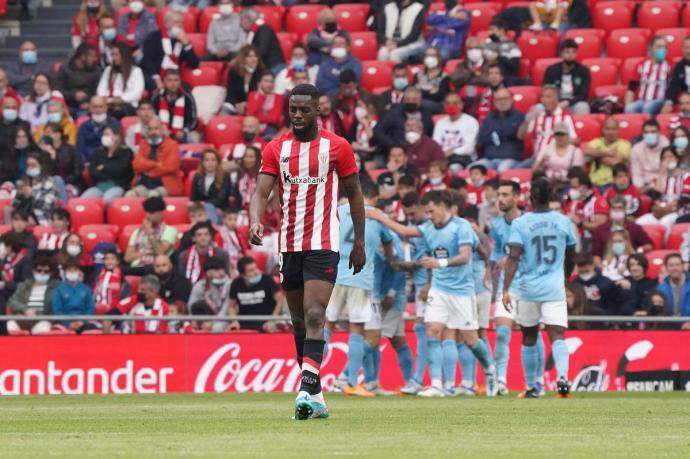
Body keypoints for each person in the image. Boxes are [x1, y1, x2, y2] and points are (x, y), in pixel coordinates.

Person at [249, 83, 366, 420]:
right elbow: (261, 192)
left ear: (318, 110)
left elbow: (355, 194)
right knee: (299, 323)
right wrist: (256, 220)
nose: (297, 115)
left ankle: (303, 388)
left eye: (304, 110)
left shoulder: (337, 147)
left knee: (315, 315)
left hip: (324, 243)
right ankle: (316, 397)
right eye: (293, 110)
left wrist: (358, 242)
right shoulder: (276, 148)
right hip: (289, 245)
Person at [367, 190, 497, 397]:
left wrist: (439, 263)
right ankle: (438, 384)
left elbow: (464, 257)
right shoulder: (428, 227)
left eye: (431, 211)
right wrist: (382, 218)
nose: (429, 216)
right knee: (433, 331)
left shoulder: (461, 227)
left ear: (443, 207)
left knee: (470, 339)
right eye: (426, 212)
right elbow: (405, 232)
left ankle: (490, 371)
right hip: (439, 289)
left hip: (462, 292)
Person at [502, 178, 576, 398]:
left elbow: (513, 257)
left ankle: (533, 385)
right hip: (554, 287)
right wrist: (565, 277)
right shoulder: (563, 221)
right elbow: (571, 254)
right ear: (551, 195)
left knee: (529, 337)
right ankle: (562, 378)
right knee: (558, 335)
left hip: (527, 287)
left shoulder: (520, 223)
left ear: (531, 198)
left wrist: (506, 289)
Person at [323, 181, 393, 397]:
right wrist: (387, 256)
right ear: (376, 195)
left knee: (326, 327)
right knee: (357, 331)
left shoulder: (338, 211)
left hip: (334, 276)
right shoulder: (378, 216)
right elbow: (390, 249)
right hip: (360, 277)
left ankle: (309, 378)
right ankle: (352, 382)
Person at [488, 180, 546, 395]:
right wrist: (492, 268)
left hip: (529, 284)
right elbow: (496, 254)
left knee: (532, 333)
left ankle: (537, 380)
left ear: (516, 197)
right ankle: (500, 381)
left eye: (504, 194)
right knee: (502, 331)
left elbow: (538, 254)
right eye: (498, 195)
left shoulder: (531, 222)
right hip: (508, 284)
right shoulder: (497, 225)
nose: (500, 199)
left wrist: (514, 258)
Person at [141, 10, 200, 90]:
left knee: (186, 88)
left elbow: (194, 64)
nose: (180, 25)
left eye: (182, 23)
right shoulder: (154, 37)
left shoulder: (183, 40)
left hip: (173, 78)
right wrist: (157, 80)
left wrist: (187, 45)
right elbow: (147, 61)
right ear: (167, 24)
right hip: (153, 75)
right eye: (176, 22)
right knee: (153, 85)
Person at [128, 117, 183, 197]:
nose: (153, 132)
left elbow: (171, 167)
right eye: (150, 129)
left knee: (153, 196)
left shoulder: (172, 145)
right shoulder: (144, 144)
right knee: (129, 195)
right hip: (144, 184)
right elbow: (136, 165)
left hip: (165, 185)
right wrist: (156, 164)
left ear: (162, 129)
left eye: (156, 129)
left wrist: (148, 171)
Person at [519, 86, 577, 159]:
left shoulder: (565, 118)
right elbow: (521, 136)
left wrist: (555, 148)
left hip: (555, 158)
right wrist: (527, 120)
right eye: (542, 97)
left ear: (557, 99)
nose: (544, 100)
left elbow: (575, 140)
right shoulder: (537, 116)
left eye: (548, 97)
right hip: (536, 158)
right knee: (508, 168)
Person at [228, 256, 284, 332]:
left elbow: (280, 300)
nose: (256, 272)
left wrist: (272, 320)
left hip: (267, 322)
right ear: (243, 275)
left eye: (256, 268)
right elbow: (231, 306)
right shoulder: (236, 284)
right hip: (244, 323)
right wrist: (234, 321)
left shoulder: (267, 280)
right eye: (251, 271)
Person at [475, 88, 525, 173]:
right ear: (494, 102)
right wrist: (503, 135)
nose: (502, 102)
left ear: (511, 100)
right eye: (498, 99)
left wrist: (494, 134)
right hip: (489, 159)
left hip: (510, 158)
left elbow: (517, 136)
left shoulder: (520, 117)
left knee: (502, 170)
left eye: (505, 99)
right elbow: (481, 138)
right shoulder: (489, 117)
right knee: (474, 169)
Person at [6, 254, 58, 335]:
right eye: (39, 270)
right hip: (22, 318)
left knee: (41, 332)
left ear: (50, 273)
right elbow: (12, 301)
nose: (42, 273)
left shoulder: (56, 287)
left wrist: (37, 315)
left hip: (42, 320)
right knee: (10, 326)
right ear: (33, 271)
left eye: (46, 271)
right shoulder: (25, 285)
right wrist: (26, 309)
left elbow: (55, 310)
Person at [82, 124, 134, 203]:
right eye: (103, 134)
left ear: (116, 137)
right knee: (83, 200)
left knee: (107, 200)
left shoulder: (126, 152)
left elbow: (121, 170)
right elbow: (92, 170)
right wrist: (107, 173)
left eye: (107, 134)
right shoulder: (98, 152)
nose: (104, 137)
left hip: (118, 185)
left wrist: (103, 167)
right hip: (99, 186)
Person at [124, 197, 178, 270]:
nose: (148, 216)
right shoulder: (137, 232)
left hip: (155, 268)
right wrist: (146, 253)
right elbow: (127, 258)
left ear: (161, 213)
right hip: (136, 267)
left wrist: (150, 233)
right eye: (147, 212)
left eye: (151, 213)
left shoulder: (170, 230)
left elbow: (160, 252)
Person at [106, 274, 170, 334]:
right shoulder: (132, 300)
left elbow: (162, 332)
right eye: (139, 288)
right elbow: (107, 318)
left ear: (153, 293)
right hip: (130, 340)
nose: (138, 291)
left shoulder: (164, 307)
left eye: (143, 290)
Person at [374, 87, 433, 151]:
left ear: (420, 101)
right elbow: (378, 130)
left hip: (420, 151)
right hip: (396, 150)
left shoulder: (426, 114)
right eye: (407, 99)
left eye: (414, 99)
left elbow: (430, 134)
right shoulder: (394, 113)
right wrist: (392, 145)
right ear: (404, 100)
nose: (410, 101)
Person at [432, 92, 478, 170]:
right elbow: (435, 144)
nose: (451, 106)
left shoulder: (471, 121)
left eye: (455, 103)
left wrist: (452, 152)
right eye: (448, 103)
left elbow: (470, 147)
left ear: (461, 105)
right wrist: (442, 154)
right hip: (442, 157)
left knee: (454, 168)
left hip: (463, 157)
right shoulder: (440, 123)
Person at [543, 39, 591, 115]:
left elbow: (583, 94)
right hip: (554, 102)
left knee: (583, 107)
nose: (570, 55)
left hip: (574, 103)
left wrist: (568, 102)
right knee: (537, 109)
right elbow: (546, 89)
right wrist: (554, 102)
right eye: (567, 52)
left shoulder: (583, 71)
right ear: (561, 54)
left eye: (573, 52)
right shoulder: (551, 70)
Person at [97, 43, 146, 116]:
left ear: (124, 55)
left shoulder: (136, 71)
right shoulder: (108, 69)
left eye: (116, 55)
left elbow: (137, 93)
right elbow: (101, 89)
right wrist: (108, 99)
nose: (114, 58)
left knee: (117, 113)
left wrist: (121, 98)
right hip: (109, 103)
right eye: (112, 55)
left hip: (128, 105)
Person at [625, 36, 669, 116]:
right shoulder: (641, 65)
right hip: (642, 100)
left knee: (648, 107)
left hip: (659, 100)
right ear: (650, 48)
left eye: (665, 47)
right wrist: (628, 104)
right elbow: (631, 88)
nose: (662, 50)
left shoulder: (669, 66)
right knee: (629, 109)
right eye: (659, 47)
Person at [151, 69, 198, 143]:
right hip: (161, 132)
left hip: (182, 133)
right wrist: (162, 129)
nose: (173, 84)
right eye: (170, 80)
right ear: (164, 82)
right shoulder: (157, 96)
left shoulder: (187, 96)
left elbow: (193, 120)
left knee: (194, 137)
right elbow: (152, 117)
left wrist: (184, 131)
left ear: (180, 82)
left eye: (176, 80)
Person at [11, 153, 59, 226]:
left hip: (40, 216)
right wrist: (19, 196)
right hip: (22, 213)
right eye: (28, 165)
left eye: (33, 165)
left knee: (22, 220)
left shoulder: (49, 182)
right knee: (7, 210)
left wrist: (33, 193)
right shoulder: (24, 181)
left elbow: (47, 206)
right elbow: (15, 205)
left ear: (41, 166)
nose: (30, 168)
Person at [187, 256, 232, 333]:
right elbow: (191, 305)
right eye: (217, 270)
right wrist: (198, 321)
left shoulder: (230, 285)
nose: (221, 273)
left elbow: (226, 310)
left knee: (217, 328)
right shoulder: (200, 285)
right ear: (208, 273)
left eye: (222, 269)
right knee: (188, 327)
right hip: (204, 319)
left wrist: (213, 322)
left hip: (223, 319)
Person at [584, 117, 631, 189]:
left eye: (613, 129)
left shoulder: (624, 144)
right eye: (607, 129)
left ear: (618, 130)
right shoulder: (596, 142)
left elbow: (615, 162)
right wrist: (608, 152)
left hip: (613, 184)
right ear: (603, 130)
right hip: (594, 183)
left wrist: (597, 156)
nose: (610, 132)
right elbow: (587, 151)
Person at [55, 43, 100, 116]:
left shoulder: (96, 70)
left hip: (88, 105)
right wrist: (73, 95)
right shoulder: (65, 69)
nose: (94, 59)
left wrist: (90, 103)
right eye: (91, 56)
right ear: (82, 56)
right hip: (68, 104)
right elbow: (58, 90)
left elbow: (97, 91)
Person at [0, 232, 34, 327]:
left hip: (17, 295)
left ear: (9, 247)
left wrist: (5, 285)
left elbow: (26, 284)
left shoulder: (25, 261)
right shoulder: (3, 260)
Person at [52, 261, 95, 334]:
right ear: (65, 272)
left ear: (79, 272)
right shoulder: (59, 290)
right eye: (69, 270)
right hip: (64, 323)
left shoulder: (86, 289)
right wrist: (68, 323)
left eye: (75, 270)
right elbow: (57, 310)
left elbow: (90, 308)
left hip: (84, 322)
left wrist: (82, 322)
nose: (72, 272)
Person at [190, 149, 232, 222]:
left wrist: (206, 204)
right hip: (201, 210)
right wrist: (201, 206)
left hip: (220, 210)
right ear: (202, 162)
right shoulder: (197, 177)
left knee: (209, 207)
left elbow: (221, 198)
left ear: (218, 162)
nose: (210, 163)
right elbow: (193, 198)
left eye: (213, 160)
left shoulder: (225, 176)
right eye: (207, 160)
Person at [76, 95, 120, 164]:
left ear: (106, 107)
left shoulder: (114, 124)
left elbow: (118, 146)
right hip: (89, 162)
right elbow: (80, 148)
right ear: (90, 108)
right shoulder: (84, 127)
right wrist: (85, 163)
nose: (98, 110)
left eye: (101, 106)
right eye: (95, 107)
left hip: (109, 163)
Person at [239, 8, 284, 72]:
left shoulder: (264, 29)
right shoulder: (254, 31)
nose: (240, 24)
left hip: (274, 66)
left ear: (246, 19)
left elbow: (262, 50)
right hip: (266, 67)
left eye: (241, 20)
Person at [630, 119, 670, 191]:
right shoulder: (636, 149)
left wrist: (658, 186)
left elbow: (669, 172)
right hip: (645, 187)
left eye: (653, 132)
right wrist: (641, 188)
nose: (650, 135)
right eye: (646, 132)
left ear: (659, 132)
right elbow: (637, 174)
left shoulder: (668, 147)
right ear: (642, 134)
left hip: (665, 185)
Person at [224, 45, 263, 116]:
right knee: (225, 111)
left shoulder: (261, 72)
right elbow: (230, 94)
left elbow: (261, 95)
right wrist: (237, 105)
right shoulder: (234, 72)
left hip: (253, 106)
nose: (254, 59)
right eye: (250, 57)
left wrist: (246, 104)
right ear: (243, 59)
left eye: (255, 56)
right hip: (236, 105)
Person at [656, 253, 690, 328]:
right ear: (666, 268)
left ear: (682, 266)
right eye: (671, 265)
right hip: (668, 327)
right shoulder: (660, 289)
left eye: (677, 265)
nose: (675, 268)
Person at [92, 249, 130, 314]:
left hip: (114, 311)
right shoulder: (98, 276)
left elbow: (124, 298)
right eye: (107, 259)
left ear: (118, 261)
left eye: (112, 259)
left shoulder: (122, 278)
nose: (109, 261)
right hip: (97, 308)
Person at [246, 72, 283, 139]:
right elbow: (250, 113)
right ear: (259, 83)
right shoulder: (253, 95)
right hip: (253, 126)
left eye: (271, 81)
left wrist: (256, 117)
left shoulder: (278, 97)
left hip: (270, 128)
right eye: (266, 81)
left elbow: (274, 119)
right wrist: (261, 96)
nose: (269, 84)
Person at [414, 46, 450, 113]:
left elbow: (439, 97)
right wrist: (430, 92)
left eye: (433, 55)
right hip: (418, 103)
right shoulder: (418, 74)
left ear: (439, 58)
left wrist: (422, 92)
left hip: (436, 105)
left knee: (423, 104)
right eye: (427, 56)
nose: (430, 58)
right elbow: (413, 92)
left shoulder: (445, 77)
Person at [484, 18, 522, 82]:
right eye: (489, 30)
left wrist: (498, 57)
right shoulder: (486, 44)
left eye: (492, 29)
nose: (489, 32)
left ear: (501, 31)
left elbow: (515, 66)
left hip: (505, 78)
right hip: (486, 77)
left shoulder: (512, 46)